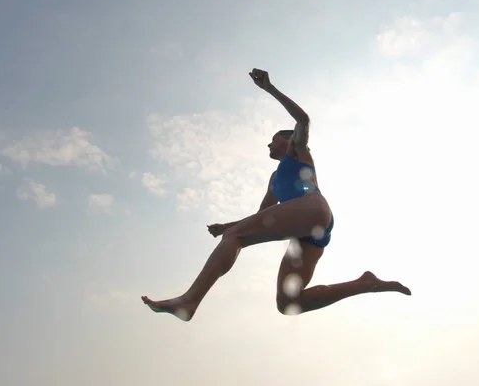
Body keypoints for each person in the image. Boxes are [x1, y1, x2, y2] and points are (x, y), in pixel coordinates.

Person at [141, 68, 411, 321]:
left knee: (235, 237)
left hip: (311, 208)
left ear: (287, 138)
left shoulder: (298, 151)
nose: (268, 143)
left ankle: (189, 301)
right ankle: (364, 284)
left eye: (273, 138)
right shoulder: (274, 179)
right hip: (314, 228)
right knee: (288, 302)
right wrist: (227, 225)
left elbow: (303, 120)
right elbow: (262, 218)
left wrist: (269, 88)